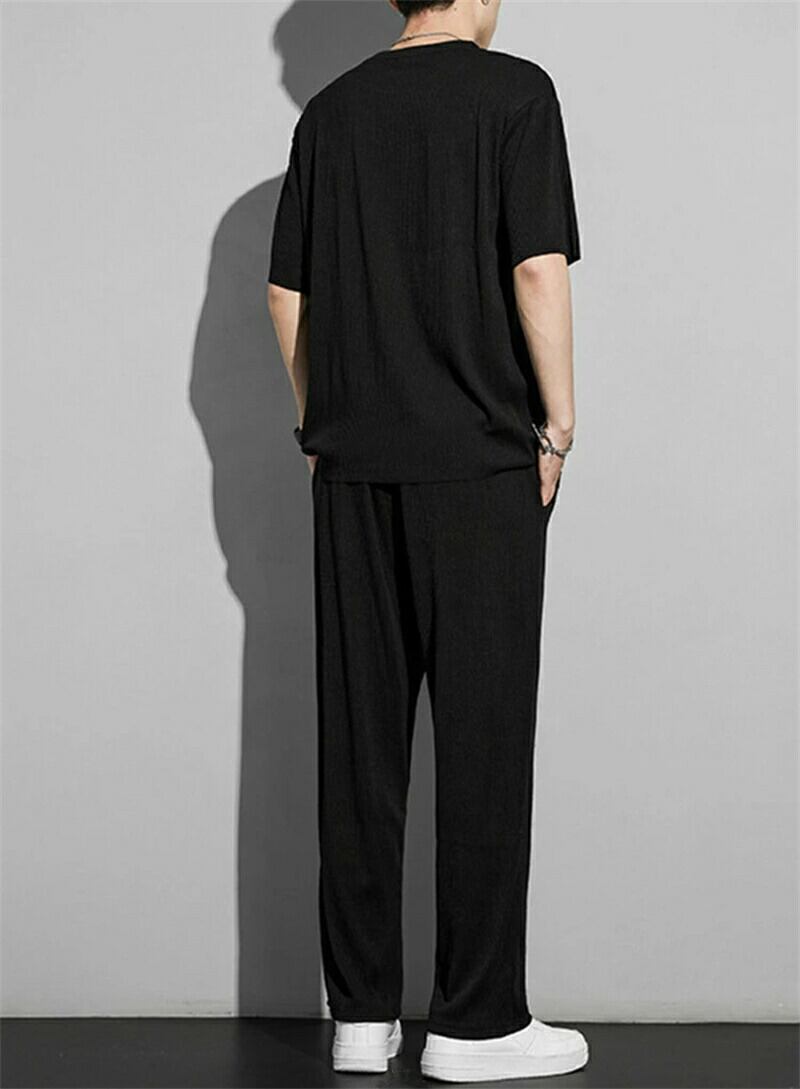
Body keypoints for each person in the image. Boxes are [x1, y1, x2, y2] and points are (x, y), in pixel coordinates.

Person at [267, 0, 587, 1080]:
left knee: (361, 743)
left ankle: (361, 1018)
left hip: (354, 467)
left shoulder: (329, 113)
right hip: (480, 465)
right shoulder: (515, 94)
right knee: (482, 742)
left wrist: (319, 423)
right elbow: (536, 267)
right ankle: (476, 1022)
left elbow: (285, 292)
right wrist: (558, 424)